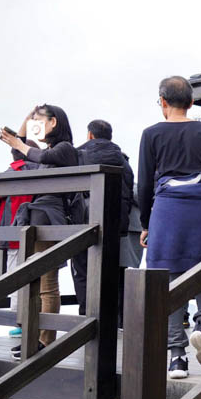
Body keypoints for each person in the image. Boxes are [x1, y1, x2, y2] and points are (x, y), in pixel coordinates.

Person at [137, 76, 201, 379]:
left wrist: (146, 224)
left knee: (169, 282)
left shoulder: (151, 134)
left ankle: (177, 358)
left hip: (167, 213)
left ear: (163, 102)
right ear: (192, 102)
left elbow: (144, 184)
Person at [0, 105, 82, 356]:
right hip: (37, 217)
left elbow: (39, 156)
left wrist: (21, 143)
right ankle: (34, 337)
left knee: (46, 282)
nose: (35, 123)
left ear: (53, 122)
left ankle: (45, 341)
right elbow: (21, 153)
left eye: (39, 120)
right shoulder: (44, 151)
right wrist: (26, 120)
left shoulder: (65, 149)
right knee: (31, 281)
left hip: (50, 218)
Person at [71, 119, 135, 315]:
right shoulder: (123, 160)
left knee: (82, 269)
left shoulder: (78, 154)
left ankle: (86, 314)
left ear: (90, 134)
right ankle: (108, 316)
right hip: (115, 221)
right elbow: (129, 192)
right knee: (109, 269)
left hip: (84, 220)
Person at [0, 141, 39, 335]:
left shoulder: (13, 171)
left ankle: (19, 321)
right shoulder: (40, 169)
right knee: (39, 276)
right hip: (37, 229)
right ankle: (38, 319)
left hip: (13, 232)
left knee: (14, 276)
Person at [118, 184, 144, 329]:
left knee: (124, 275)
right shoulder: (130, 182)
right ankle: (123, 319)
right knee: (126, 275)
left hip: (129, 229)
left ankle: (122, 319)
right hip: (131, 228)